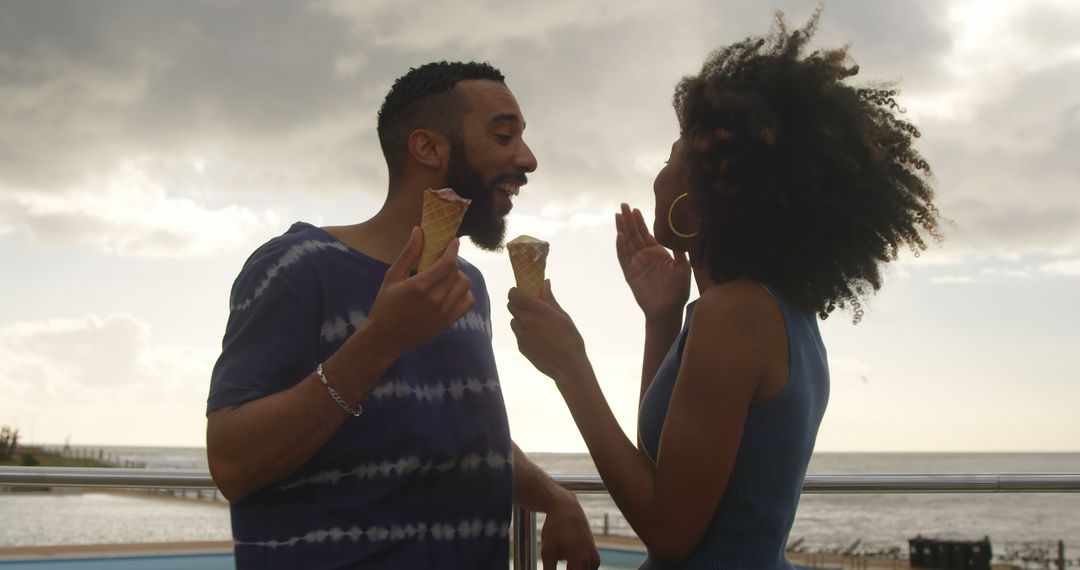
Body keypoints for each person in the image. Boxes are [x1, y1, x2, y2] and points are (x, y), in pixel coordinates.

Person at [507, 13, 942, 570]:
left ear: (700, 197)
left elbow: (669, 530)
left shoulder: (734, 315)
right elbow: (669, 470)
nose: (659, 176)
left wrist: (570, 367)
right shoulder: (771, 309)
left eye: (671, 160)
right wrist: (661, 319)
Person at [206, 61, 600, 570]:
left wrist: (554, 497)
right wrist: (380, 340)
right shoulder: (297, 266)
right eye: (504, 135)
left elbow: (465, 434)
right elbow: (232, 464)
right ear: (428, 148)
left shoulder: (467, 285)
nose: (527, 159)